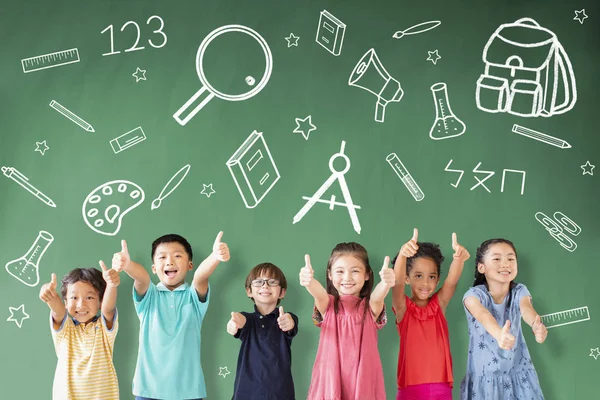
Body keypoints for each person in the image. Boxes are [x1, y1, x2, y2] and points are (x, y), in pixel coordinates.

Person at [115, 232, 230, 400]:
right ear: (154, 268)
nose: (169, 261)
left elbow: (201, 277)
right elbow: (142, 278)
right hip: (148, 391)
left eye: (177, 256)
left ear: (190, 265)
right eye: (162, 257)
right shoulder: (149, 297)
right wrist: (127, 265)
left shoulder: (193, 297)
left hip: (189, 392)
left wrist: (215, 256)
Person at [299, 242, 395, 400]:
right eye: (340, 271)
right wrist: (309, 282)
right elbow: (319, 294)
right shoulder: (328, 305)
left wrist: (385, 284)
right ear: (330, 275)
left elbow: (378, 298)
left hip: (363, 381)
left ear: (367, 275)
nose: (347, 278)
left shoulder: (369, 308)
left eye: (355, 271)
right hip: (331, 381)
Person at [460, 238, 547, 399]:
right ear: (481, 267)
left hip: (519, 373)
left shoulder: (519, 291)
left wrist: (536, 324)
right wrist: (499, 334)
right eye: (497, 258)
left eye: (510, 259)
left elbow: (526, 307)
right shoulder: (473, 295)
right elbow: (483, 315)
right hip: (486, 379)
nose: (505, 263)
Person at [392, 228, 470, 400]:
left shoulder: (438, 305)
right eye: (418, 276)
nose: (426, 283)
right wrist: (403, 255)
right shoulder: (402, 307)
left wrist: (459, 260)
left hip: (441, 387)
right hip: (409, 388)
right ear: (407, 278)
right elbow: (396, 285)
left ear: (437, 279)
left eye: (432, 277)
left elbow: (452, 281)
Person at [39, 262, 121, 400]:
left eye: (89, 297)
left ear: (100, 301)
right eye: (74, 297)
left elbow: (108, 308)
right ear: (65, 302)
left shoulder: (103, 329)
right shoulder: (66, 330)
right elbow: (57, 309)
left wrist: (111, 285)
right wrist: (47, 292)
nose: (81, 304)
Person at [227, 262, 299, 400]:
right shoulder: (248, 319)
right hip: (245, 394)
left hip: (280, 394)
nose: (265, 286)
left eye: (272, 282)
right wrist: (234, 322)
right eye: (259, 282)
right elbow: (240, 320)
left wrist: (288, 322)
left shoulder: (286, 317)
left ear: (282, 292)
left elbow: (291, 323)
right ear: (249, 291)